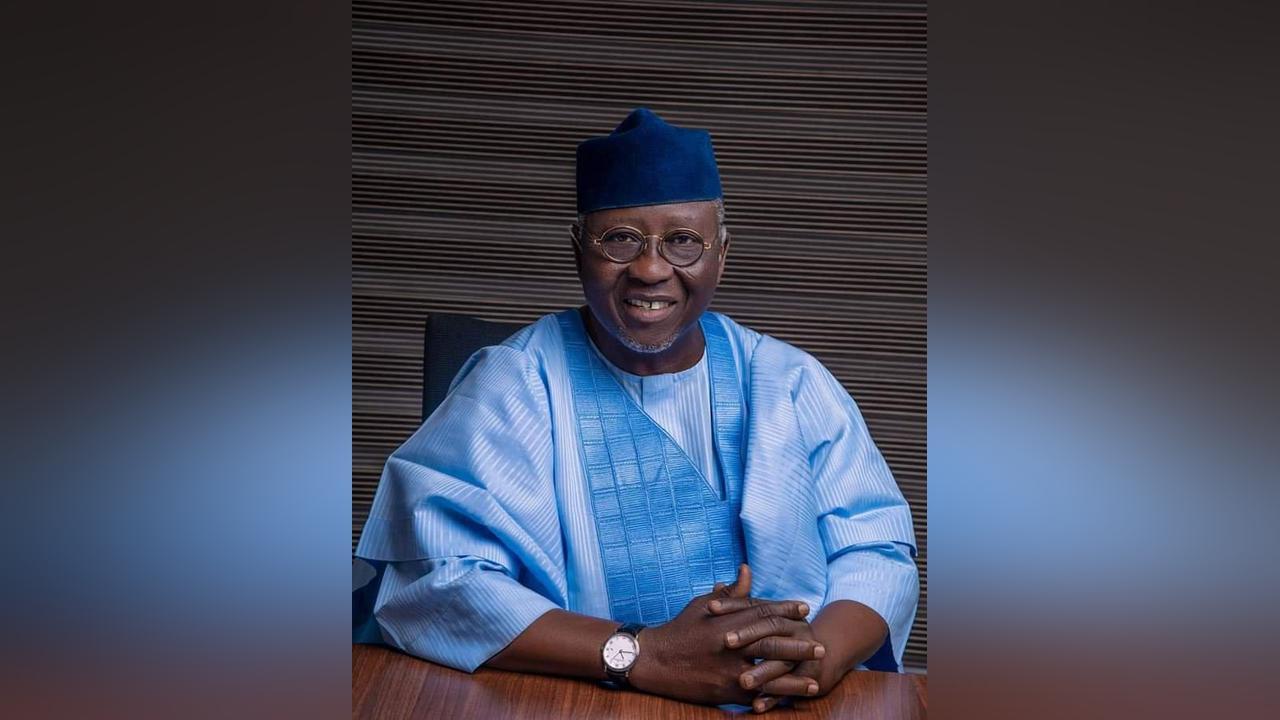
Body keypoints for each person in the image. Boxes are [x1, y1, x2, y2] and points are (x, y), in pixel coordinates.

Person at [353, 107, 919, 712]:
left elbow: (875, 550)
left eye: (683, 242)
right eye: (620, 239)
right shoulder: (511, 384)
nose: (650, 269)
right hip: (573, 700)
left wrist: (817, 658)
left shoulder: (790, 381)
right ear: (578, 251)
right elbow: (439, 581)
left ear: (722, 254)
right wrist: (641, 655)